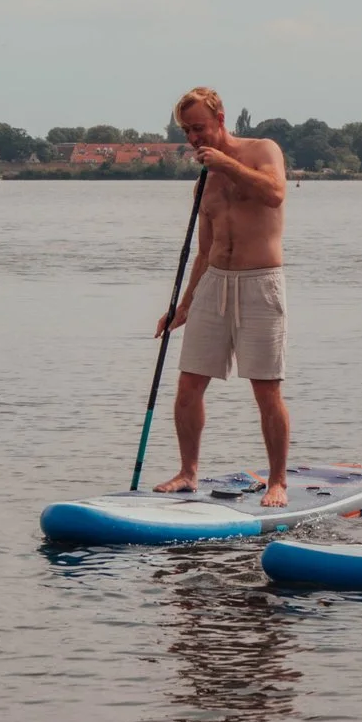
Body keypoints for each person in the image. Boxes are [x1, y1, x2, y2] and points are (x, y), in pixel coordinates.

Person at [152, 87, 294, 508]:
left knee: (266, 389)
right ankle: (187, 473)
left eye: (198, 128)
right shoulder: (203, 182)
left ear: (219, 119)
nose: (194, 138)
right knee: (188, 385)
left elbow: (275, 193)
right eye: (187, 131)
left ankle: (279, 481)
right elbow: (203, 250)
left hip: (261, 282)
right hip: (215, 282)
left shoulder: (261, 149)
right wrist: (183, 306)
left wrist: (228, 165)